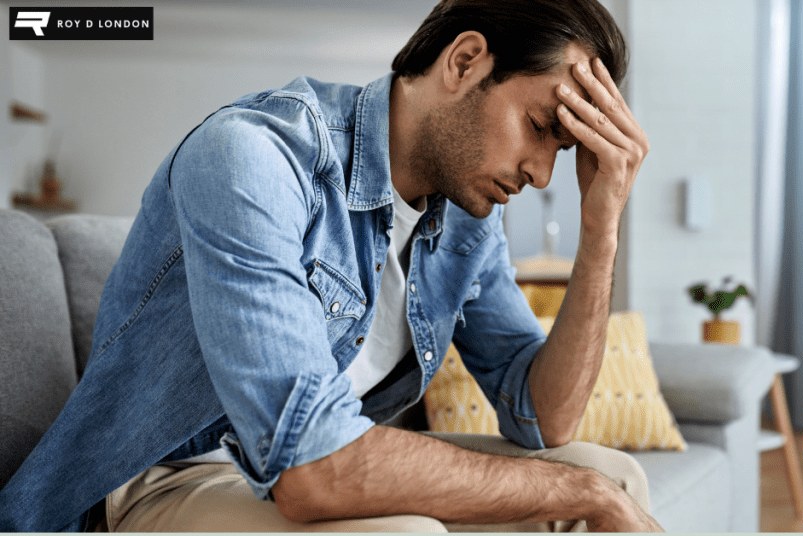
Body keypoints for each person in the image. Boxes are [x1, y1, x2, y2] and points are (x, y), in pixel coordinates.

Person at [0, 0, 657, 531]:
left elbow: (545, 421)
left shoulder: (466, 221)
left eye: (563, 149)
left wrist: (602, 228)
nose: (542, 174)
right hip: (160, 478)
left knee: (614, 474)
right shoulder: (254, 157)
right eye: (541, 126)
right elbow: (312, 468)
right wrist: (577, 491)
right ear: (463, 61)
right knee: (405, 533)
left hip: (308, 468)